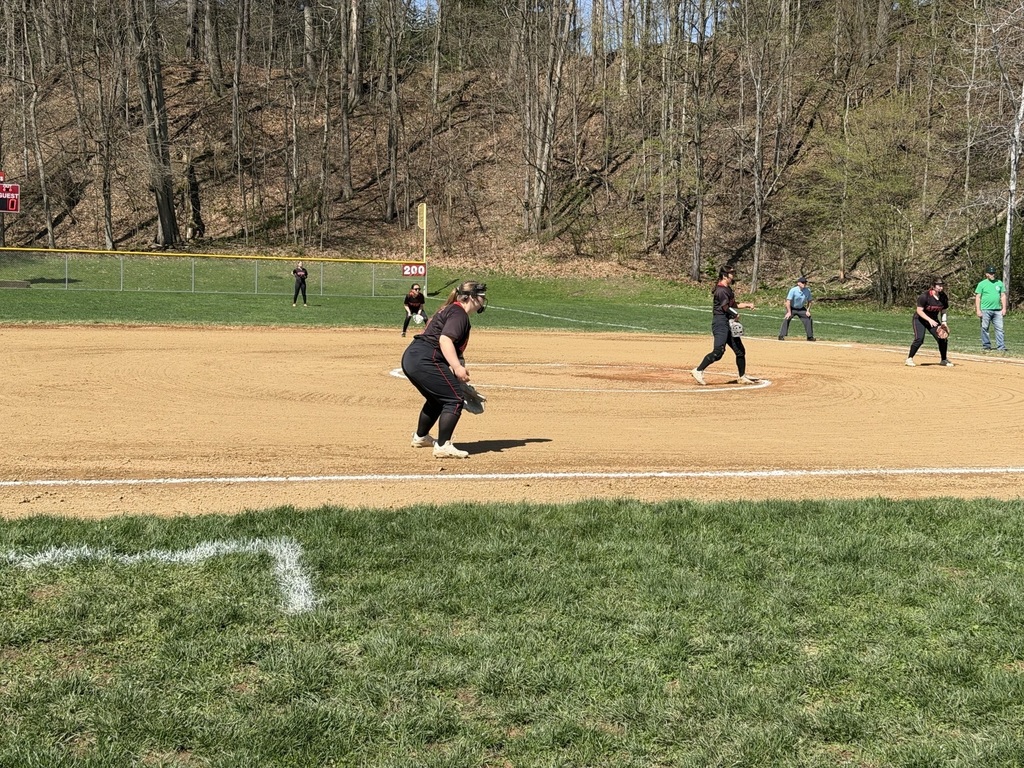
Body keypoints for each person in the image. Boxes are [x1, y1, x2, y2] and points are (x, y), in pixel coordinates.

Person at [401, 280, 488, 459]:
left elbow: (455, 349)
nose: (483, 299)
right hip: (426, 359)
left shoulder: (451, 309)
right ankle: (442, 446)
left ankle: (421, 437)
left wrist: (458, 373)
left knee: (437, 399)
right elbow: (445, 340)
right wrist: (456, 368)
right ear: (471, 298)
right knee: (454, 399)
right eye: (481, 296)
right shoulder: (458, 314)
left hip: (413, 357)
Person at [692, 266, 757, 386]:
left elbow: (733, 304)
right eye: (731, 273)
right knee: (718, 352)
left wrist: (747, 305)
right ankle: (698, 370)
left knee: (740, 351)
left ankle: (741, 376)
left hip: (727, 322)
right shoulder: (721, 290)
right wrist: (735, 314)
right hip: (720, 323)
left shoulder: (727, 289)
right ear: (724, 275)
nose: (733, 275)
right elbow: (725, 307)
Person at [906, 277, 953, 367]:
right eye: (938, 285)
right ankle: (909, 358)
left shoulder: (943, 297)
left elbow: (943, 311)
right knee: (919, 339)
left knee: (942, 337)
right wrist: (929, 320)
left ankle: (943, 359)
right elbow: (919, 311)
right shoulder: (925, 296)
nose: (941, 287)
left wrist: (944, 322)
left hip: (933, 321)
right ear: (933, 286)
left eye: (942, 285)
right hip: (920, 319)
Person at [975, 265, 1008, 352]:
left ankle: (1001, 346)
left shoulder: (999, 283)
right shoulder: (982, 284)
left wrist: (1004, 308)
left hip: (997, 310)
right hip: (985, 310)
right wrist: (978, 310)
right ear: (986, 274)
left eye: (993, 273)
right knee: (984, 328)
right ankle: (986, 345)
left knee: (1000, 329)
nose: (992, 275)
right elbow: (978, 297)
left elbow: (1003, 296)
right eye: (990, 273)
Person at [778, 276, 815, 341]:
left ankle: (810, 337)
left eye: (805, 283)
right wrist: (789, 312)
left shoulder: (807, 291)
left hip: (801, 308)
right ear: (798, 283)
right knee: (787, 318)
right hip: (792, 308)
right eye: (803, 282)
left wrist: (808, 310)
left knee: (808, 318)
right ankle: (781, 335)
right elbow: (788, 301)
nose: (804, 284)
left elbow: (810, 301)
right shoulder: (793, 290)